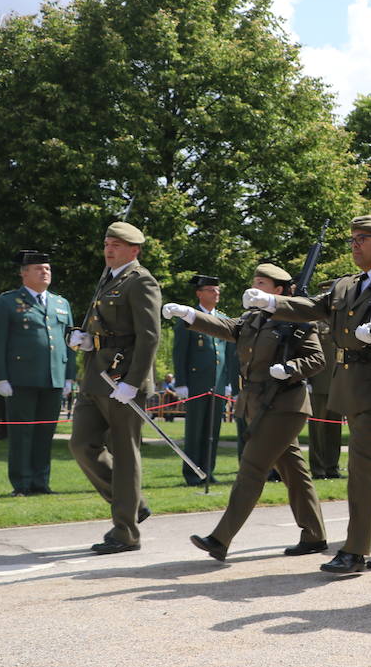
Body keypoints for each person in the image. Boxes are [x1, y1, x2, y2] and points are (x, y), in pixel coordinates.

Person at [247, 214, 371, 574]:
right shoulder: (348, 285)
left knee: (361, 468)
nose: (355, 244)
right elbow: (315, 307)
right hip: (354, 387)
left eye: (363, 238)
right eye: (353, 239)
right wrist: (272, 304)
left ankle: (354, 550)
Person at [165, 263, 329, 560]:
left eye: (262, 284)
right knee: (294, 470)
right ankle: (314, 535)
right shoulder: (253, 317)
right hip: (258, 404)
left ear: (278, 291)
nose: (254, 288)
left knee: (252, 468)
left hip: (285, 405)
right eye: (254, 282)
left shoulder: (298, 318)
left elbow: (317, 359)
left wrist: (291, 368)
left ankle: (220, 539)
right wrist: (190, 315)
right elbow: (229, 329)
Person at [67, 222, 161, 552]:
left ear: (134, 250)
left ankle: (126, 532)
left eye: (117, 245)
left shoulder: (141, 281)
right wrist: (83, 339)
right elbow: (100, 324)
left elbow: (149, 336)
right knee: (81, 444)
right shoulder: (107, 278)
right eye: (107, 243)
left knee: (125, 454)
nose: (109, 249)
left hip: (123, 381)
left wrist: (133, 382)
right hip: (95, 376)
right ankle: (132, 503)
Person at [0, 251, 76, 497]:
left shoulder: (60, 303)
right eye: (38, 268)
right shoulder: (7, 302)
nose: (44, 272)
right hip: (20, 379)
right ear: (24, 273)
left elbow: (70, 341)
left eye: (47, 268)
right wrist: (0, 378)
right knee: (21, 433)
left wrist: (69, 375)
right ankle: (22, 483)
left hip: (53, 378)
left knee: (45, 433)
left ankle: (40, 482)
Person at [172, 275, 236, 486]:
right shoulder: (189, 318)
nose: (216, 294)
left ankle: (208, 472)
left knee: (212, 432)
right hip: (196, 384)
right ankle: (192, 474)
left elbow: (227, 355)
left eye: (217, 290)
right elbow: (180, 352)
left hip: (217, 385)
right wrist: (181, 382)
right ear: (199, 293)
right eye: (211, 290)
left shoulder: (223, 318)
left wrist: (228, 382)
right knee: (195, 432)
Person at [306, 312, 343, 479]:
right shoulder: (314, 322)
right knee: (318, 429)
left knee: (335, 428)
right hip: (319, 383)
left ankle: (332, 467)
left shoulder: (343, 320)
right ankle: (318, 468)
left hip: (338, 383)